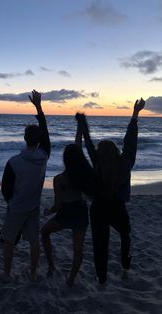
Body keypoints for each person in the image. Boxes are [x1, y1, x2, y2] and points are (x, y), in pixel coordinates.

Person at [78, 98, 145, 284]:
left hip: (98, 208)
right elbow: (130, 143)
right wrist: (135, 113)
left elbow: (89, 145)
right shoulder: (125, 164)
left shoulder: (97, 164)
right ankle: (125, 267)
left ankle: (101, 277)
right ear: (116, 151)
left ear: (100, 155)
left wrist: (82, 124)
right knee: (126, 235)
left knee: (100, 244)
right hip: (118, 208)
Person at [0, 90, 50, 283]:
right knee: (34, 241)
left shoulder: (14, 162)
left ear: (24, 138)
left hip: (17, 207)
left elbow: (6, 189)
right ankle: (33, 272)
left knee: (9, 240)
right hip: (33, 206)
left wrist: (12, 201)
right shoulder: (44, 156)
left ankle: (6, 273)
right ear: (37, 141)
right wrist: (38, 107)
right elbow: (46, 134)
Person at [41, 114, 93, 287]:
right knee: (78, 249)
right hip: (80, 213)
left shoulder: (59, 180)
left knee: (45, 232)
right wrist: (80, 127)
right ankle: (71, 279)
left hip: (66, 214)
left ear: (65, 159)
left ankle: (51, 266)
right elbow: (77, 146)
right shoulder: (83, 175)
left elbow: (57, 206)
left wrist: (48, 211)